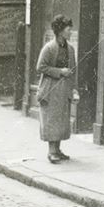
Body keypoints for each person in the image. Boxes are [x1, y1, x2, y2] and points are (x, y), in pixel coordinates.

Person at [35, 14, 79, 164]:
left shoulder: (71, 49)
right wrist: (60, 72)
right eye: (68, 29)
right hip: (50, 89)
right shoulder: (49, 48)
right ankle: (51, 151)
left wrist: (74, 89)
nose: (70, 32)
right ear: (60, 31)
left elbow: (73, 70)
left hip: (64, 90)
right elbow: (40, 67)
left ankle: (58, 150)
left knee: (61, 120)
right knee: (51, 119)